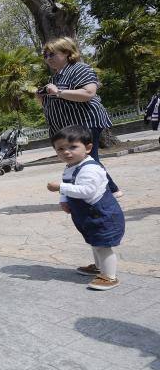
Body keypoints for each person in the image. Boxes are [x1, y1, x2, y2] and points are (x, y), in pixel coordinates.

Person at [37, 36, 121, 196]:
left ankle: (104, 193)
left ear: (67, 53)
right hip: (71, 126)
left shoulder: (80, 69)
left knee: (85, 158)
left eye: (52, 54)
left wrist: (58, 92)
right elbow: (54, 103)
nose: (48, 58)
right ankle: (111, 190)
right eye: (45, 56)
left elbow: (88, 93)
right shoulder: (56, 77)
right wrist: (42, 97)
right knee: (86, 159)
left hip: (86, 121)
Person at [47, 125, 125, 290]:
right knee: (95, 242)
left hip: (102, 215)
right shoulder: (71, 166)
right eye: (60, 149)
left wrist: (60, 187)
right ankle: (99, 267)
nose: (66, 152)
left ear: (88, 148)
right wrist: (64, 199)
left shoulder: (90, 168)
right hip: (88, 215)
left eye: (72, 147)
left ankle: (110, 277)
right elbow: (69, 184)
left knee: (102, 246)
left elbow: (87, 191)